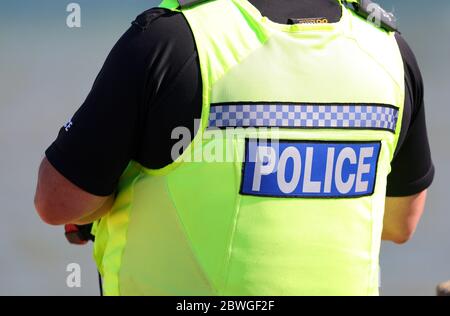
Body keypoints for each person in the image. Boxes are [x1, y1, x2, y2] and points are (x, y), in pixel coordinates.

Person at [34, 0, 434, 295]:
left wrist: (106, 201)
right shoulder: (388, 50)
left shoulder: (172, 41)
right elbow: (400, 222)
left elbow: (56, 202)